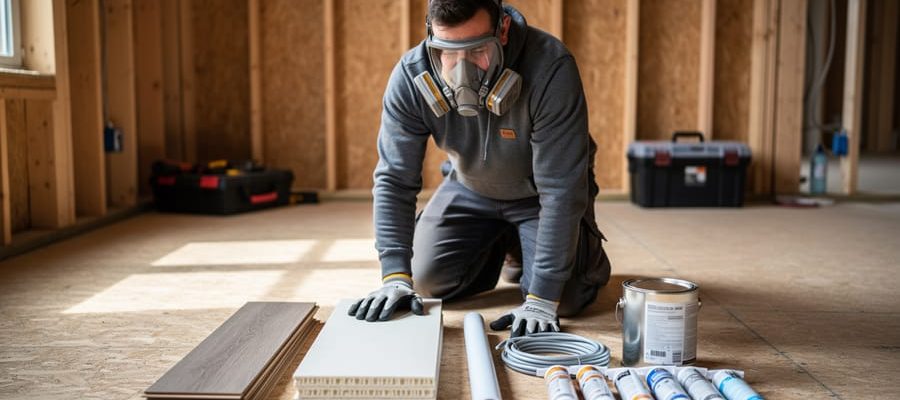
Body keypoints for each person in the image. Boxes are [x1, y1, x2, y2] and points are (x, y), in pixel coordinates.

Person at [348, 0, 611, 337]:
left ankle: (576, 255)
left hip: (537, 195)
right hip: (469, 187)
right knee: (426, 280)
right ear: (431, 34)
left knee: (567, 299)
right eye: (448, 51)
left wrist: (542, 298)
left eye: (476, 51)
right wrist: (395, 275)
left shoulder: (550, 66)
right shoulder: (413, 75)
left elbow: (560, 190)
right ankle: (503, 244)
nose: (462, 70)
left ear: (501, 29)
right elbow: (394, 179)